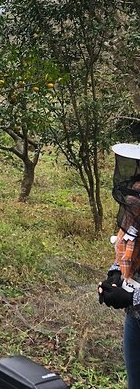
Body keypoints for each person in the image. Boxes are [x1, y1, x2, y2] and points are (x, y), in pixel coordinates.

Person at [97, 143, 140, 388]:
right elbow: (126, 245)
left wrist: (133, 296)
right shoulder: (134, 212)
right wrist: (115, 275)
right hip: (135, 320)